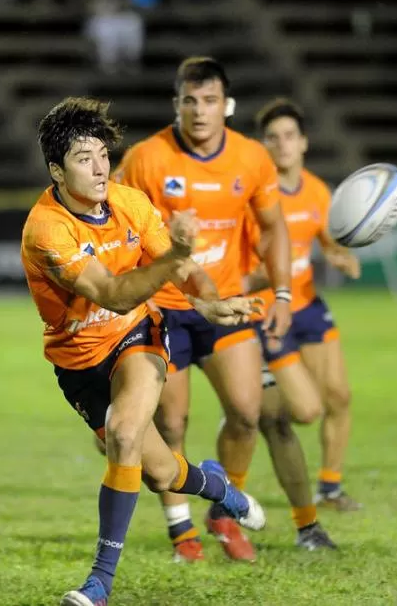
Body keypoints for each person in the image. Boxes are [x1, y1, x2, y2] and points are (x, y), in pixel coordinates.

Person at [21, 97, 266, 606]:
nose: (99, 167)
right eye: (83, 159)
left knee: (125, 432)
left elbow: (176, 269)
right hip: (78, 363)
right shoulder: (47, 230)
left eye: (103, 155)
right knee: (160, 472)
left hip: (138, 337)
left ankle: (99, 583)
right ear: (56, 170)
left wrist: (209, 302)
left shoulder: (131, 203)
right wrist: (177, 257)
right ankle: (218, 488)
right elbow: (113, 293)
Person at [114, 56, 292, 562]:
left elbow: (274, 227)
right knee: (171, 423)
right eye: (189, 101)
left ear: (226, 106)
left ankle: (222, 507)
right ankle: (181, 531)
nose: (198, 111)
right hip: (164, 306)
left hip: (224, 304)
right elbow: (122, 233)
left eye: (209, 101)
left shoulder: (252, 158)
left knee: (247, 412)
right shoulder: (148, 159)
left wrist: (281, 294)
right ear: (176, 104)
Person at [247, 98, 363, 516]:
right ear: (264, 146)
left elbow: (328, 240)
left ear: (304, 143)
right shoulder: (254, 194)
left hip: (309, 305)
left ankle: (330, 488)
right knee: (305, 411)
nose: (282, 145)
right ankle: (246, 413)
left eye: (289, 136)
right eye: (273, 138)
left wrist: (338, 255)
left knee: (340, 396)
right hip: (267, 310)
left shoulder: (316, 190)